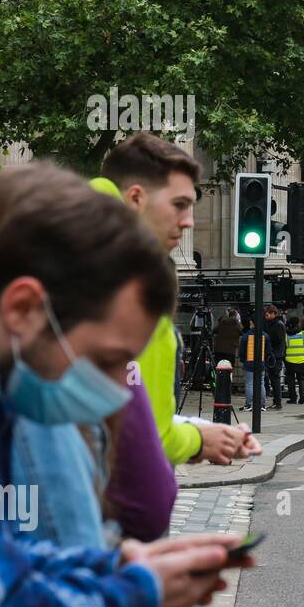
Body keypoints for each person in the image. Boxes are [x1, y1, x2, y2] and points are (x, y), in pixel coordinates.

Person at [0, 163, 245, 607]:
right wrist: (135, 592)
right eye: (105, 360)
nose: (108, 395)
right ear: (24, 308)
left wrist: (113, 567)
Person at [97, 132, 255, 465]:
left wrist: (202, 432)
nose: (188, 222)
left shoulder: (79, 252)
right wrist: (201, 439)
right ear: (136, 199)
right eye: (179, 205)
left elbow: (119, 413)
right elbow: (144, 440)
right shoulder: (129, 285)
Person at [237, 319, 271, 412]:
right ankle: (262, 405)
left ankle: (249, 405)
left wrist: (244, 360)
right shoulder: (265, 335)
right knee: (261, 384)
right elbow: (268, 351)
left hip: (249, 363)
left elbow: (242, 351)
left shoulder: (246, 336)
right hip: (261, 362)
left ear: (252, 323)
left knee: (249, 384)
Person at [262, 304, 287, 410]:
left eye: (267, 314)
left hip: (275, 355)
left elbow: (277, 340)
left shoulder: (278, 325)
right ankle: (276, 402)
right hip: (273, 354)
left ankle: (278, 402)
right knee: (273, 379)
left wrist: (267, 339)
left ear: (273, 314)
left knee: (275, 379)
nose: (266, 317)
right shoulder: (271, 323)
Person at [286, 314, 304, 404]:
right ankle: (302, 393)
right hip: (301, 360)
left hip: (289, 361)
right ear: (298, 324)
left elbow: (284, 348)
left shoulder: (286, 335)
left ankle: (293, 398)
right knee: (301, 378)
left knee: (290, 380)